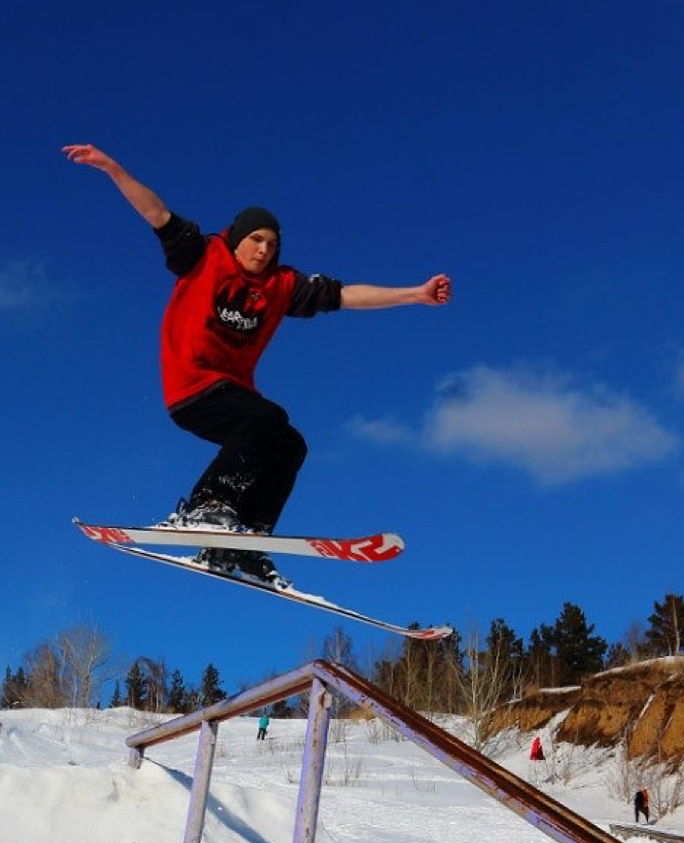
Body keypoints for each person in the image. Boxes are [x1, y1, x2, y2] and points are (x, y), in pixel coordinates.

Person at [63, 143, 451, 587]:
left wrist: (415, 294)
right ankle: (204, 509)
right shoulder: (203, 254)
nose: (264, 251)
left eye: (272, 244)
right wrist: (111, 167)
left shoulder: (282, 285)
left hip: (233, 395)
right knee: (268, 418)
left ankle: (246, 541)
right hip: (191, 387)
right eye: (256, 241)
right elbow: (156, 213)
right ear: (237, 238)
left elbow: (345, 295)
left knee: (289, 444)